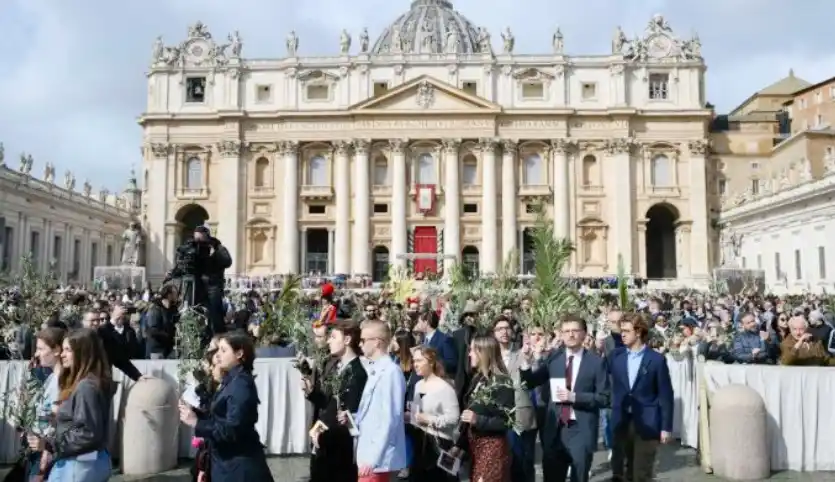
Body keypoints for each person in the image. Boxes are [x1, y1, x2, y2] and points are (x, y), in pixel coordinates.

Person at [519, 315, 610, 482]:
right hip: (555, 431)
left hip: (580, 430)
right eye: (566, 331)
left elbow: (604, 398)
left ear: (584, 334)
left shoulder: (596, 363)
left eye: (575, 331)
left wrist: (575, 397)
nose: (571, 335)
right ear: (561, 334)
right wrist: (525, 362)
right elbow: (530, 383)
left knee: (579, 477)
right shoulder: (555, 359)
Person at [179, 332, 273, 481]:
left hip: (238, 468)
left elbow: (233, 430)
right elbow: (220, 416)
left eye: (223, 350)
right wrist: (196, 413)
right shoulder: (232, 380)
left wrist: (197, 423)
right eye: (218, 350)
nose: (218, 355)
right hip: (226, 464)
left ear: (239, 354)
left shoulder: (241, 385)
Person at [28, 328, 114, 482]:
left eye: (68, 350)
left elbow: (88, 432)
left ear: (82, 353)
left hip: (79, 466)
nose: (62, 354)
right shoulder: (90, 382)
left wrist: (50, 444)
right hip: (84, 462)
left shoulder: (86, 386)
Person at [609, 313, 674, 482]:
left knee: (642, 472)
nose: (622, 334)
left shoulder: (656, 360)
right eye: (621, 330)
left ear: (638, 332)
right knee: (623, 472)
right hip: (621, 421)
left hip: (647, 422)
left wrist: (666, 427)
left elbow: (665, 395)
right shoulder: (616, 356)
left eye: (626, 330)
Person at [306, 320, 368, 482]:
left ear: (347, 340)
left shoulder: (356, 373)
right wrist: (311, 392)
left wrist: (324, 436)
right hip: (325, 437)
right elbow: (328, 402)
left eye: (333, 337)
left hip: (339, 446)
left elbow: (349, 418)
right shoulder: (336, 366)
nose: (328, 341)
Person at [450, 334, 514, 482]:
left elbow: (507, 421)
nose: (469, 354)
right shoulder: (478, 378)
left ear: (482, 353)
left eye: (472, 350)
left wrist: (478, 420)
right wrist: (460, 445)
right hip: (475, 447)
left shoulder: (501, 382)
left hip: (492, 448)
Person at [354, 319, 408, 482]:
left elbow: (390, 418)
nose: (360, 344)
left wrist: (373, 457)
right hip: (368, 452)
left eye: (363, 340)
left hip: (377, 458)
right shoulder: (376, 368)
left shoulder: (391, 372)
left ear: (377, 342)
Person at [406, 346, 459, 482]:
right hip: (420, 443)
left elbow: (453, 418)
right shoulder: (418, 384)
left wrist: (429, 419)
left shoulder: (444, 387)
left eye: (419, 361)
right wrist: (409, 416)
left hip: (438, 445)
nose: (415, 364)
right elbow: (418, 414)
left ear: (431, 362)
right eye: (414, 361)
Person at [25, 327, 65, 482]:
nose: (37, 353)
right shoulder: (51, 378)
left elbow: (59, 422)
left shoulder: (62, 382)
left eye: (41, 349)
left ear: (56, 350)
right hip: (39, 450)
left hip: (49, 454)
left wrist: (46, 447)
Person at [414, 310, 457, 376]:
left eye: (419, 322)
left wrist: (432, 361)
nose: (418, 324)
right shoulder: (423, 338)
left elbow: (452, 364)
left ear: (426, 323)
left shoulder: (445, 339)